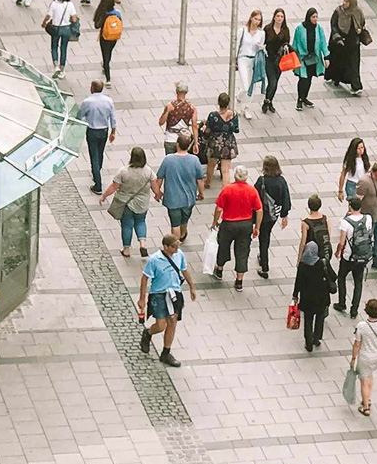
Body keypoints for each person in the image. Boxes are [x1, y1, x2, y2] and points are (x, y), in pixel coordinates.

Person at [138, 234, 197, 367]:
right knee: (160, 325)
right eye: (174, 247)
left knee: (172, 321)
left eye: (177, 246)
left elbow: (184, 270)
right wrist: (142, 298)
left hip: (175, 293)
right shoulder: (154, 260)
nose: (176, 249)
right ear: (166, 247)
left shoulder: (179, 254)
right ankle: (148, 333)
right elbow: (144, 278)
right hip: (159, 294)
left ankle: (166, 352)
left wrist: (192, 287)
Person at [210, 166, 261, 291]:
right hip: (245, 224)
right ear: (246, 177)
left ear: (235, 176)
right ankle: (239, 281)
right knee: (242, 251)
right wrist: (257, 227)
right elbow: (259, 210)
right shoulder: (252, 191)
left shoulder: (228, 189)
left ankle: (220, 269)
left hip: (228, 224)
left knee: (223, 246)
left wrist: (215, 222)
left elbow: (219, 208)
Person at [99, 147, 154, 258]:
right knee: (141, 221)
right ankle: (142, 244)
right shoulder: (148, 171)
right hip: (142, 203)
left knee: (127, 225)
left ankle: (126, 249)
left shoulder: (124, 171)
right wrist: (158, 194)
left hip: (126, 202)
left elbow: (114, 186)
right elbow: (155, 186)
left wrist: (104, 196)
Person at [153, 134, 205, 241]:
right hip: (189, 198)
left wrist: (157, 193)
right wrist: (201, 193)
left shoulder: (168, 159)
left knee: (175, 224)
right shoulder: (194, 160)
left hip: (172, 199)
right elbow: (200, 179)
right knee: (184, 220)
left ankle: (175, 245)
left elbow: (159, 178)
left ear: (177, 145)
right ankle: (182, 234)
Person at [350, 298, 377, 416]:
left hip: (366, 357)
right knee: (370, 375)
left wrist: (353, 358)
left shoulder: (361, 326)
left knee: (363, 381)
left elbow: (357, 344)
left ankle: (365, 406)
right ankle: (368, 398)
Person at [254, 156, 291, 279]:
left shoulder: (262, 181)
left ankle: (264, 267)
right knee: (266, 235)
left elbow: (254, 196)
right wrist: (284, 215)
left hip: (261, 213)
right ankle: (263, 257)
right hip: (274, 214)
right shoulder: (281, 181)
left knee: (263, 239)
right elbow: (286, 198)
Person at [78, 81, 117, 196]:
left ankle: (98, 183)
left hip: (92, 131)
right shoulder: (108, 101)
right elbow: (113, 117)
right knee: (100, 153)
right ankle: (97, 172)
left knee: (93, 155)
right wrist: (113, 131)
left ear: (93, 88)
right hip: (104, 131)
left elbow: (80, 115)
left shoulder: (87, 102)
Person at [325, 0, 367, 95]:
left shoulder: (358, 11)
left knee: (353, 64)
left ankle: (356, 86)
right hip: (341, 42)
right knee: (338, 62)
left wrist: (360, 29)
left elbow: (362, 22)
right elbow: (333, 24)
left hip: (353, 43)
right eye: (344, 1)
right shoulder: (338, 11)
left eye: (347, 2)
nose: (344, 3)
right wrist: (337, 37)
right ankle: (335, 77)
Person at [292, 240, 329, 352]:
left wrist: (295, 295)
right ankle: (316, 338)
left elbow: (298, 281)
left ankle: (308, 343)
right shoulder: (322, 263)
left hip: (307, 297)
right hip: (321, 296)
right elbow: (333, 276)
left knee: (308, 320)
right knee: (320, 317)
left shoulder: (302, 264)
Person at [292, 8, 330, 111]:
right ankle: (300, 99)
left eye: (316, 17)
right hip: (303, 58)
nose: (315, 19)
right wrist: (294, 56)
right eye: (313, 17)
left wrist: (326, 57)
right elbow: (295, 43)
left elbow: (323, 43)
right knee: (303, 78)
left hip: (314, 59)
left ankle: (304, 97)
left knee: (309, 78)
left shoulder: (318, 28)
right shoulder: (300, 28)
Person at [42, 0, 79, 78]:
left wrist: (44, 23)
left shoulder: (54, 4)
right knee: (64, 48)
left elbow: (48, 15)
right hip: (66, 29)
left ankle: (56, 66)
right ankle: (62, 70)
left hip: (56, 28)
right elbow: (74, 19)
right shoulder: (70, 4)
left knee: (54, 46)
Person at [236, 10, 266, 119]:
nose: (257, 21)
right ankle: (238, 99)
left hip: (254, 60)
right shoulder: (243, 31)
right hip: (243, 58)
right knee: (245, 85)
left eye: (259, 20)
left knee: (252, 86)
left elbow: (261, 48)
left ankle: (247, 107)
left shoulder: (261, 33)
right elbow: (237, 45)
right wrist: (234, 59)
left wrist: (261, 47)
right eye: (255, 19)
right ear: (251, 18)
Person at [262, 9, 291, 114]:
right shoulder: (268, 29)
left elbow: (287, 42)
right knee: (272, 81)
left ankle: (269, 101)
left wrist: (286, 46)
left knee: (275, 82)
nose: (279, 18)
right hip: (269, 58)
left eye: (281, 16)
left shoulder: (285, 30)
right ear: (274, 17)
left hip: (279, 60)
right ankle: (267, 101)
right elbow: (263, 42)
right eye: (278, 16)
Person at [158, 83, 198, 156]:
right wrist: (196, 143)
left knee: (171, 163)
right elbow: (194, 126)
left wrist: (166, 111)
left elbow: (161, 122)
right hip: (185, 139)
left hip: (170, 138)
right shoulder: (192, 107)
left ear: (176, 92)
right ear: (186, 93)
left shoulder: (170, 105)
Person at [93, 0, 122, 85]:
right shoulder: (117, 13)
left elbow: (96, 25)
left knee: (105, 55)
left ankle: (108, 78)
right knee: (109, 52)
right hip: (114, 37)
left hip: (105, 37)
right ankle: (106, 65)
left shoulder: (103, 13)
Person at [338, 138, 371, 202]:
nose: (361, 150)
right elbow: (343, 174)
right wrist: (340, 190)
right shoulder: (349, 160)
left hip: (363, 185)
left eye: (362, 147)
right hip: (352, 184)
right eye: (358, 148)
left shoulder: (364, 158)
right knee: (353, 205)